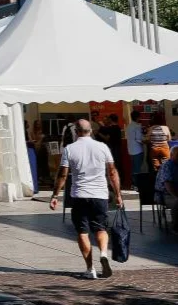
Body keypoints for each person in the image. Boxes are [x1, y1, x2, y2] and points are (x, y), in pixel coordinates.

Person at [50, 119, 122, 279]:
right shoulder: (103, 147)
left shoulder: (69, 149)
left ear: (76, 131)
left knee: (82, 232)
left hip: (80, 195)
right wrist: (118, 195)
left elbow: (62, 174)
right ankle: (103, 254)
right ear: (91, 131)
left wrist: (55, 195)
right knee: (101, 229)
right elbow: (112, 172)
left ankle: (90, 269)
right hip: (100, 195)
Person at [154, 146, 178, 234]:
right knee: (177, 201)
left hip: (175, 191)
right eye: (177, 155)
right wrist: (176, 196)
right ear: (171, 155)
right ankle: (175, 226)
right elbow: (168, 185)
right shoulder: (167, 166)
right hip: (165, 194)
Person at [126, 111, 144, 188]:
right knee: (137, 168)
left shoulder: (128, 126)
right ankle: (137, 185)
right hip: (137, 150)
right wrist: (145, 140)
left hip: (130, 150)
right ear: (137, 117)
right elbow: (139, 138)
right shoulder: (137, 126)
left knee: (134, 167)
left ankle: (133, 184)